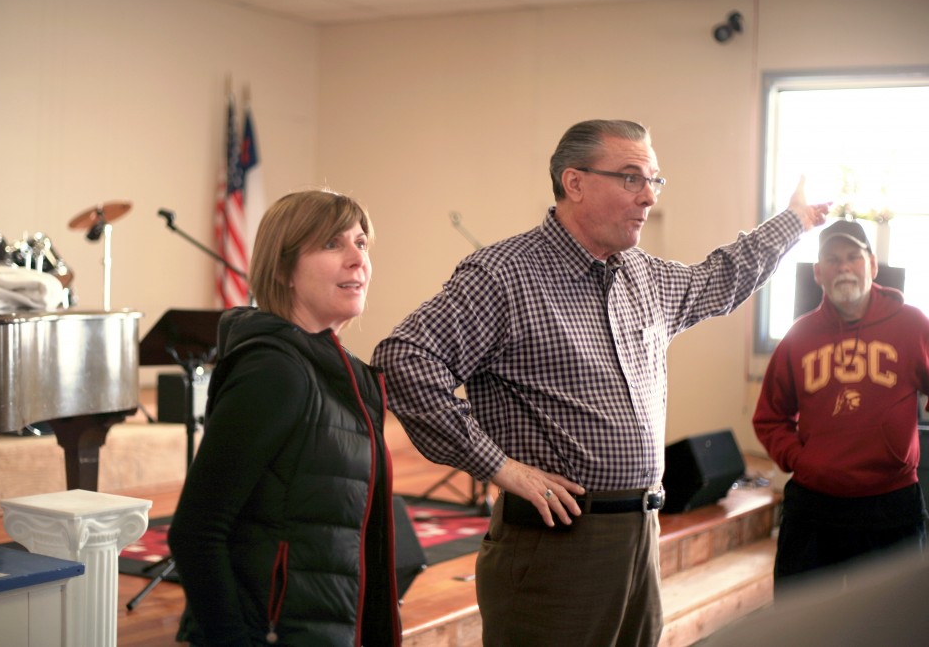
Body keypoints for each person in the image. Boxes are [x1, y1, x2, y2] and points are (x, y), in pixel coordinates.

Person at [371, 119, 829, 647]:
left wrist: (793, 222)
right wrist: (499, 467)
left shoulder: (645, 276)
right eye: (632, 178)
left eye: (654, 181)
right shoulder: (505, 275)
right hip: (557, 545)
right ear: (575, 183)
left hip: (639, 534)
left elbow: (720, 277)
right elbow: (405, 361)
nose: (648, 198)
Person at [167, 189, 402, 647]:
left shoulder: (343, 371)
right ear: (282, 270)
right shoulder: (274, 371)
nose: (358, 259)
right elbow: (196, 532)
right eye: (333, 244)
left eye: (362, 243)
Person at [752, 218, 929, 596]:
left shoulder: (912, 325)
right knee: (802, 625)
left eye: (853, 257)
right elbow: (769, 417)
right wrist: (802, 460)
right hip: (815, 508)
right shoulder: (798, 337)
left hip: (891, 504)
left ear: (873, 265)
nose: (844, 267)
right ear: (818, 273)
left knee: (892, 626)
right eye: (832, 259)